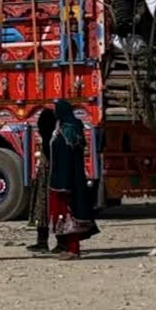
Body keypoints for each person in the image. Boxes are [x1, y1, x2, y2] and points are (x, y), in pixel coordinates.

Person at [48, 99, 99, 260]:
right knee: (68, 214)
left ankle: (73, 249)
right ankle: (66, 246)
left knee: (69, 215)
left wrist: (63, 182)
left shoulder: (66, 131)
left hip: (66, 180)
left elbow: (66, 158)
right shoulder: (70, 127)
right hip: (72, 177)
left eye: (56, 109)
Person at [26, 107, 58, 253]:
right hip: (51, 181)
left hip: (46, 182)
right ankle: (51, 241)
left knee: (44, 211)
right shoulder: (54, 139)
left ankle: (43, 242)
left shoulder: (49, 141)